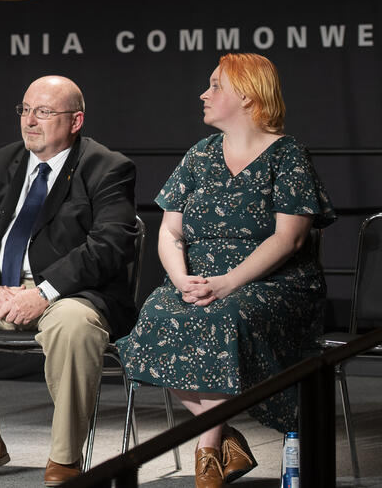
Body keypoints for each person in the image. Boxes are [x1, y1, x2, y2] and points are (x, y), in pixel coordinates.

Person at [116, 53, 334, 488]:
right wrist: (180, 279)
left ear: (249, 96)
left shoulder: (287, 155)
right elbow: (170, 233)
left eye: (216, 85)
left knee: (221, 317)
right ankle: (225, 437)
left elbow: (287, 239)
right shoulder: (199, 155)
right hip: (196, 280)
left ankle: (208, 450)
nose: (204, 93)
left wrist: (229, 281)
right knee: (158, 317)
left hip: (272, 283)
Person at [0, 75, 138, 486]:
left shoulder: (107, 167)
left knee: (74, 327)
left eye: (45, 112)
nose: (30, 120)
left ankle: (67, 456)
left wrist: (44, 292)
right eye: (26, 110)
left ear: (75, 121)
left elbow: (110, 245)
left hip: (68, 295)